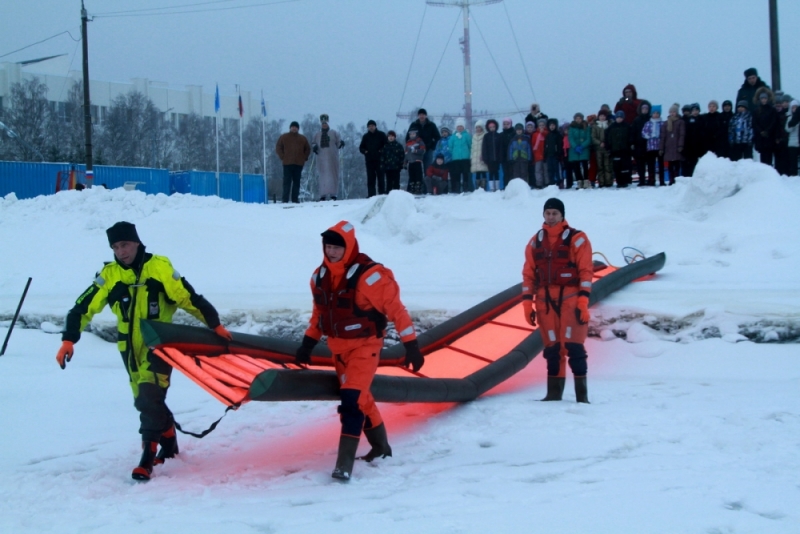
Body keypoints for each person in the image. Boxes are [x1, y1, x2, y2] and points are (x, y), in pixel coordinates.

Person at [56, 222, 231, 481]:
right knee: (145, 399)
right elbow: (82, 308)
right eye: (115, 247)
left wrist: (214, 324)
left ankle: (147, 458)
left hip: (159, 344)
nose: (120, 251)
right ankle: (169, 444)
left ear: (137, 243)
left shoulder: (159, 267)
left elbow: (189, 298)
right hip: (128, 349)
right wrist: (69, 340)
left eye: (124, 245)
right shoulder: (109, 274)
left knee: (150, 393)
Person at [295, 221, 424, 481]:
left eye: (336, 247)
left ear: (349, 246)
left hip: (365, 348)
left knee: (351, 402)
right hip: (338, 349)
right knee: (362, 399)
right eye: (328, 246)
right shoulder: (319, 277)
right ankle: (381, 448)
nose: (331, 252)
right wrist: (307, 344)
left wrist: (411, 345)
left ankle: (343, 466)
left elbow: (396, 310)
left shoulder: (370, 276)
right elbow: (319, 316)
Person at [521, 198, 593, 403]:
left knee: (574, 346)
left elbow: (586, 272)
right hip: (544, 302)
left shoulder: (578, 239)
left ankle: (582, 397)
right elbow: (528, 275)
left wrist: (583, 302)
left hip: (570, 298)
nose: (551, 217)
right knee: (552, 348)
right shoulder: (535, 241)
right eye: (548, 213)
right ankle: (553, 394)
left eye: (555, 213)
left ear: (562, 215)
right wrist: (527, 304)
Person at [276, 121, 311, 203]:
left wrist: (304, 158)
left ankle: (295, 199)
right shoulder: (284, 137)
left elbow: (308, 149)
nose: (294, 128)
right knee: (286, 182)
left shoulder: (302, 138)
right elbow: (278, 147)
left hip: (298, 163)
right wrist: (282, 156)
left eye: (296, 127)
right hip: (287, 163)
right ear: (290, 128)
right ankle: (285, 199)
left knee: (296, 182)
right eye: (293, 127)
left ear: (298, 128)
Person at [312, 114, 344, 201]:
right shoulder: (317, 134)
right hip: (321, 158)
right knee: (322, 175)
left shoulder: (334, 133)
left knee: (333, 175)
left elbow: (338, 143)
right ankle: (323, 194)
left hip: (332, 158)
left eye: (325, 123)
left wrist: (341, 143)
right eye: (323, 124)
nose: (324, 125)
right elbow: (314, 143)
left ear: (328, 124)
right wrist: (314, 147)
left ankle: (333, 194)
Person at [359, 120, 388, 197]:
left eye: (372, 126)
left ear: (375, 126)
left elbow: (386, 145)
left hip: (380, 160)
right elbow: (361, 147)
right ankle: (371, 195)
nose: (371, 127)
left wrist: (381, 151)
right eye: (369, 126)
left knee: (381, 178)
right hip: (369, 161)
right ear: (368, 127)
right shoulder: (365, 137)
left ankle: (382, 194)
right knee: (371, 179)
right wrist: (365, 152)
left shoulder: (381, 135)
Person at [606, 110, 633, 187]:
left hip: (625, 150)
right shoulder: (611, 127)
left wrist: (630, 146)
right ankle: (619, 181)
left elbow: (630, 137)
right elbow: (608, 138)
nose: (619, 119)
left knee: (625, 167)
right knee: (617, 167)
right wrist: (608, 148)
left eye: (621, 117)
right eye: (618, 117)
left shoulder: (627, 126)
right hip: (615, 151)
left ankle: (625, 181)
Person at [752, 88, 777, 167]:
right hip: (760, 138)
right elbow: (754, 123)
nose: (763, 100)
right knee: (762, 157)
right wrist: (761, 131)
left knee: (769, 156)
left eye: (765, 98)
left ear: (768, 99)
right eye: (762, 98)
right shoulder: (756, 111)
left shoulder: (772, 110)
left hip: (769, 137)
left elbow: (774, 122)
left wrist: (767, 131)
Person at [661, 104, 685, 182]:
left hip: (676, 147)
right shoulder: (666, 123)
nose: (672, 113)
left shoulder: (680, 122)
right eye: (671, 112)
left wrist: (680, 145)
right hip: (668, 147)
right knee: (670, 165)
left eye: (674, 112)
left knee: (677, 164)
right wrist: (661, 148)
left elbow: (682, 134)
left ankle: (677, 179)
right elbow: (663, 136)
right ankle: (671, 180)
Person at [641, 105, 664, 186]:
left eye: (657, 113)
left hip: (660, 147)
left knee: (661, 165)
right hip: (650, 147)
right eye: (654, 113)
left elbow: (664, 134)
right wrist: (650, 136)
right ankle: (651, 180)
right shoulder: (648, 123)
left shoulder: (662, 123)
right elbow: (643, 133)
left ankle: (662, 180)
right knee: (651, 165)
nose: (656, 114)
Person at [567, 113, 591, 189]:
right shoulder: (571, 128)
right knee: (576, 166)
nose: (578, 120)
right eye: (576, 118)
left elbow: (588, 138)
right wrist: (575, 146)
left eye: (579, 118)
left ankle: (586, 181)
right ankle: (579, 181)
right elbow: (570, 138)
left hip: (584, 148)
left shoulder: (586, 127)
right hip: (574, 149)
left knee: (585, 165)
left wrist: (583, 146)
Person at [449, 118, 472, 193]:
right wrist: (453, 153)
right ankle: (457, 187)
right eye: (458, 126)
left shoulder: (467, 135)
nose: (460, 128)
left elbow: (470, 145)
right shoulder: (453, 136)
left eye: (461, 126)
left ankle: (466, 187)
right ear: (456, 127)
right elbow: (450, 146)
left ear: (464, 127)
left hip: (465, 158)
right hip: (456, 158)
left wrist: (469, 153)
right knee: (457, 173)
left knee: (465, 173)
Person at [631, 100, 652, 185]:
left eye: (646, 108)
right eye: (643, 108)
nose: (645, 110)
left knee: (650, 164)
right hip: (639, 145)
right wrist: (632, 143)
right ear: (640, 109)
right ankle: (642, 180)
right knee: (640, 165)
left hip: (650, 145)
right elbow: (633, 132)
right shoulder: (636, 120)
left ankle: (651, 180)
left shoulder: (651, 119)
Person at [591, 110, 613, 188]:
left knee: (607, 165)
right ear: (598, 117)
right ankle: (601, 182)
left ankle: (608, 181)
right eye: (601, 116)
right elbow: (593, 137)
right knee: (600, 166)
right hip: (598, 148)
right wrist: (599, 143)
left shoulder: (610, 125)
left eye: (604, 116)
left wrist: (607, 143)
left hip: (607, 148)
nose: (602, 117)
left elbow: (611, 136)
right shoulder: (595, 126)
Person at [481, 119, 504, 191]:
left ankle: (497, 187)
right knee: (491, 172)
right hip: (489, 159)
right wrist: (485, 158)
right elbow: (484, 148)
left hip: (497, 158)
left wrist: (500, 157)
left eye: (493, 127)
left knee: (496, 172)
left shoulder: (498, 136)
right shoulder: (486, 136)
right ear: (488, 128)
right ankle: (491, 187)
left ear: (496, 127)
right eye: (490, 127)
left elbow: (500, 147)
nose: (492, 128)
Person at [683, 104, 704, 176]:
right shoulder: (688, 121)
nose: (695, 112)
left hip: (700, 146)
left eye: (696, 110)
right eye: (693, 110)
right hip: (689, 147)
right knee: (689, 165)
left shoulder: (702, 119)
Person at [404, 128, 426, 195]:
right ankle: (412, 189)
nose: (412, 135)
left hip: (417, 161)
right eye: (411, 134)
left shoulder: (419, 141)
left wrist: (416, 151)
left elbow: (423, 150)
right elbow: (406, 153)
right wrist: (405, 162)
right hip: (410, 162)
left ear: (416, 134)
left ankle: (418, 189)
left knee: (418, 176)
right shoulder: (408, 143)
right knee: (411, 176)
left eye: (413, 134)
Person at [543, 118, 563, 187]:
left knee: (556, 169)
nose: (552, 127)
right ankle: (551, 182)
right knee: (550, 169)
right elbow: (546, 146)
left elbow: (560, 145)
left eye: (553, 125)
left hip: (555, 155)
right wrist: (545, 155)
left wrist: (559, 154)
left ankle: (559, 182)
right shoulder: (548, 135)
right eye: (550, 125)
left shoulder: (558, 135)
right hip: (549, 155)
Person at [530, 119, 549, 189]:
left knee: (545, 170)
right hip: (537, 155)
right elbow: (533, 144)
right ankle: (539, 183)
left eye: (543, 125)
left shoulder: (547, 133)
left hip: (545, 155)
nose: (541, 127)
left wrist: (543, 132)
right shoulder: (535, 134)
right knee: (538, 170)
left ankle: (546, 182)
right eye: (540, 125)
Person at [471, 120, 488, 190]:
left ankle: (484, 187)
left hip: (482, 156)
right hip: (475, 157)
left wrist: (484, 155)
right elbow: (472, 147)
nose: (478, 129)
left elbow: (486, 146)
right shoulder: (474, 136)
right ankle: (477, 187)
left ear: (482, 128)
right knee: (477, 172)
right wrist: (472, 156)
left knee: (483, 171)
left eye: (479, 127)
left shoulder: (485, 135)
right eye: (476, 127)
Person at [786, 100, 799, 176]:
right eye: (793, 107)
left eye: (796, 107)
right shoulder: (790, 117)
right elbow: (787, 129)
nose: (794, 109)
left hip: (799, 141)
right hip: (792, 142)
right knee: (793, 161)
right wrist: (794, 123)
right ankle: (793, 175)